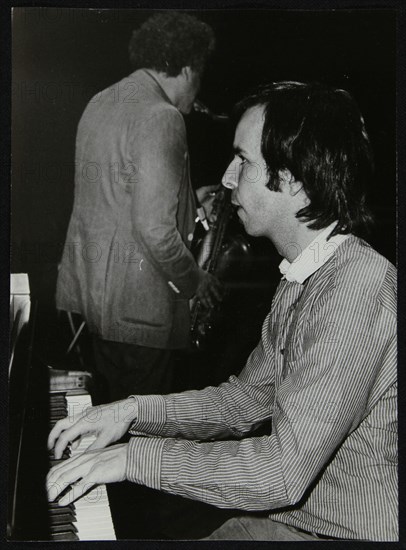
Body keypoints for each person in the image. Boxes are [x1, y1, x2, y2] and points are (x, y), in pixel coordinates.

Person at [47, 81, 397, 541]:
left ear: (291, 178)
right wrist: (132, 413)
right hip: (300, 525)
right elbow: (244, 401)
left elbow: (279, 473)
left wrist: (133, 460)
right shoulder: (306, 276)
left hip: (347, 533)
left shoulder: (357, 288)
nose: (228, 177)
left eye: (243, 160)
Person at [55, 12, 221, 403]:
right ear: (187, 68)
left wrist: (190, 201)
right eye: (200, 76)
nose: (198, 91)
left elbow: (113, 200)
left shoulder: (103, 100)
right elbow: (154, 231)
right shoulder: (162, 117)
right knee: (141, 444)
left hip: (93, 307)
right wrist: (197, 281)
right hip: (139, 315)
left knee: (109, 426)